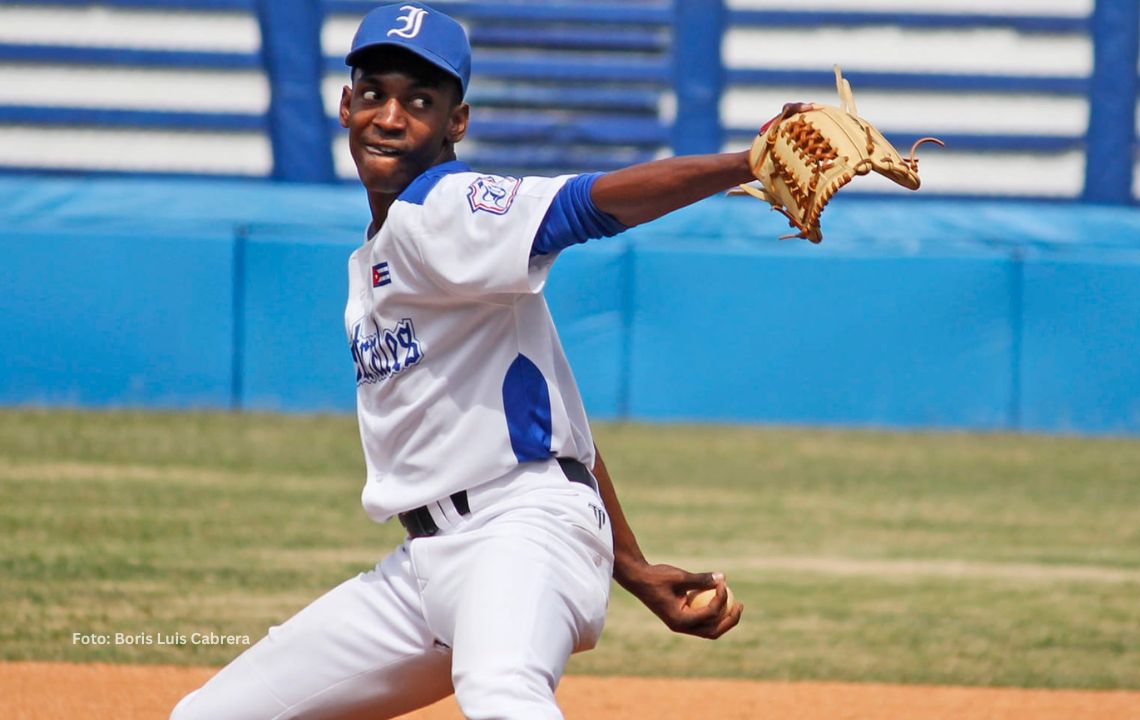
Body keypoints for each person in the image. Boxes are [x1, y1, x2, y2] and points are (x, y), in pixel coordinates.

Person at [171, 3, 795, 718]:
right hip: (430, 568)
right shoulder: (382, 254)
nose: (391, 116)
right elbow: (564, 439)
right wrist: (632, 568)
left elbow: (582, 207)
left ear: (455, 123)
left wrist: (744, 164)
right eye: (374, 93)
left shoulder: (442, 207)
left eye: (421, 101)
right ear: (345, 105)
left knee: (501, 692)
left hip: (520, 537)